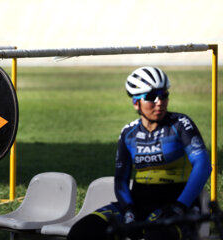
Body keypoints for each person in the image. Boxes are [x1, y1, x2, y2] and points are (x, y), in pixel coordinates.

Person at [67, 66, 212, 240]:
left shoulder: (180, 123)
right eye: (151, 97)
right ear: (136, 103)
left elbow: (203, 165)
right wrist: (128, 210)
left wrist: (180, 205)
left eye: (164, 95)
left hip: (176, 201)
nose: (160, 102)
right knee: (82, 231)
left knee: (155, 236)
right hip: (137, 203)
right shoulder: (128, 132)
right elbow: (120, 180)